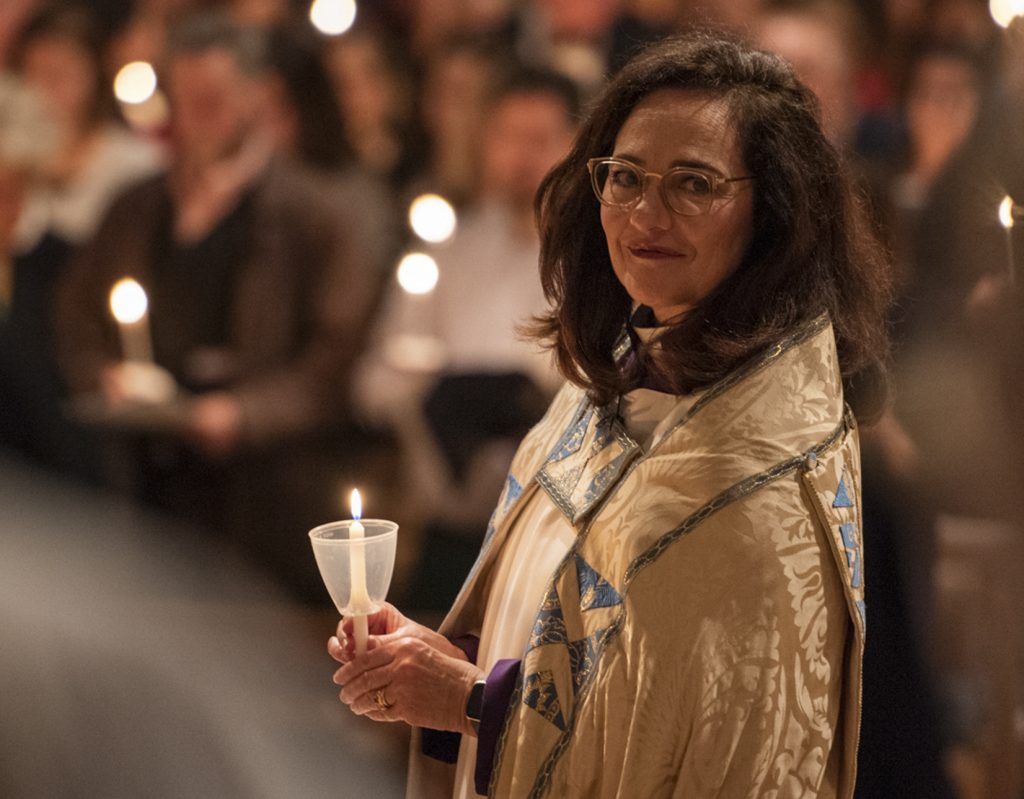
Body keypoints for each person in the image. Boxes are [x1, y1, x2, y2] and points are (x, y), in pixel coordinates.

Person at [328, 32, 891, 798]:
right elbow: (566, 635)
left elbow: (705, 747)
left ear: (774, 210)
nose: (645, 213)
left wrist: (467, 702)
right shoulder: (617, 377)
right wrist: (449, 662)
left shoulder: (758, 486)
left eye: (693, 184)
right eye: (625, 177)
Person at [54, 13, 388, 592]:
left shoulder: (315, 214)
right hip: (146, 480)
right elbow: (76, 313)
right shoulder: (136, 206)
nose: (196, 118)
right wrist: (105, 376)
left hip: (263, 498)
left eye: (213, 99)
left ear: (259, 95)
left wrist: (244, 414)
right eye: (184, 100)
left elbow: (337, 356)